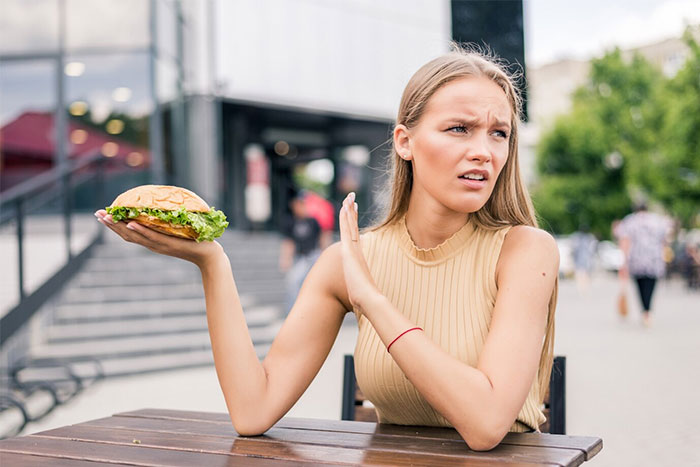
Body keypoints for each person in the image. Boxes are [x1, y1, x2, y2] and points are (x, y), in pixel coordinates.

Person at [95, 46, 559, 451]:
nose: (484, 150)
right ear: (405, 142)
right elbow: (253, 411)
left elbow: (485, 425)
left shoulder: (525, 253)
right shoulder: (348, 260)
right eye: (460, 128)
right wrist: (212, 262)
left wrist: (372, 302)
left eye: (499, 133)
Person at [616, 202, 672, 327]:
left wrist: (624, 262)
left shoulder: (630, 221)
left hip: (636, 260)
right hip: (654, 259)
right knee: (651, 286)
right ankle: (648, 311)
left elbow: (625, 241)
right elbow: (665, 239)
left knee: (640, 287)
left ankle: (645, 311)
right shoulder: (657, 221)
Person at [279, 191, 323, 314]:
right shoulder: (290, 221)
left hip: (313, 255)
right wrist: (285, 259)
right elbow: (289, 242)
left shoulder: (313, 221)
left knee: (314, 285)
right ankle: (293, 312)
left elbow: (322, 238)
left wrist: (324, 255)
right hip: (300, 258)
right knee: (292, 282)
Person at [570, 224, 597, 292]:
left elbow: (574, 250)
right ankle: (583, 288)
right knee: (582, 274)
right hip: (583, 260)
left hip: (583, 260)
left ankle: (583, 288)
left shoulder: (581, 238)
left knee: (582, 274)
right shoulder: (588, 238)